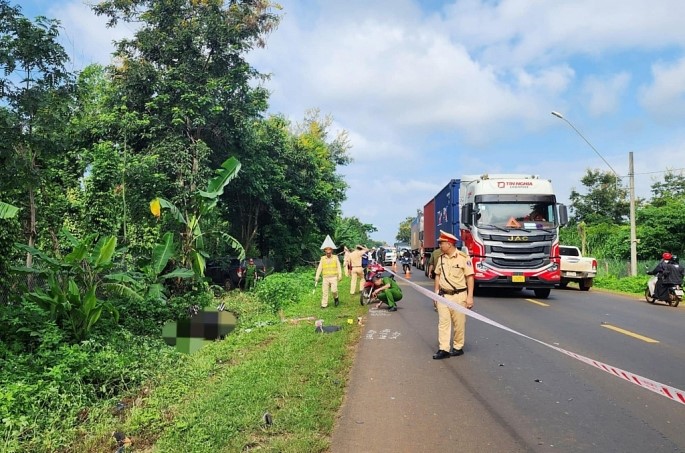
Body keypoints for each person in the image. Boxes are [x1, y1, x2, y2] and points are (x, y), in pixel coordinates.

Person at [432, 230, 475, 360]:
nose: (440, 246)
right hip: (443, 296)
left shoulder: (463, 258)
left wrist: (470, 297)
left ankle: (457, 347)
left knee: (459, 323)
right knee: (443, 323)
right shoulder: (441, 258)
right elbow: (438, 275)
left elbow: (470, 277)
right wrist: (435, 293)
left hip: (459, 296)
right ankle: (443, 349)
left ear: (449, 244)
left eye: (442, 243)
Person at [315, 238, 343, 308]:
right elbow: (319, 268)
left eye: (329, 252)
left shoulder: (335, 257)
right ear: (325, 251)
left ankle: (336, 298)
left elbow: (339, 267)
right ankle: (324, 304)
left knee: (334, 290)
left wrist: (340, 275)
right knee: (325, 292)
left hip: (333, 277)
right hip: (325, 277)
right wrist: (317, 276)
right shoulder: (322, 258)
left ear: (331, 251)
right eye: (327, 252)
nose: (328, 253)